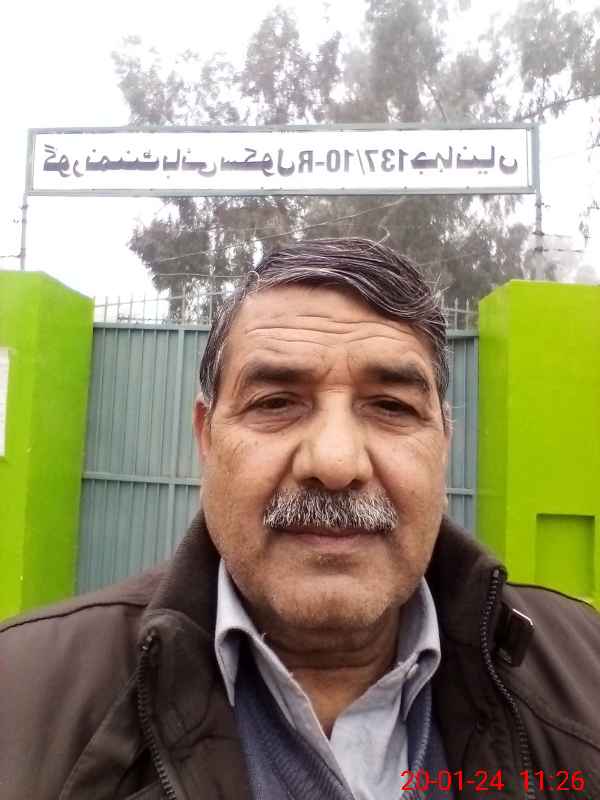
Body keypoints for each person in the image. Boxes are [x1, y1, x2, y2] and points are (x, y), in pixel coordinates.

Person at [1, 237, 599, 800]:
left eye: (391, 406)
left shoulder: (586, 674)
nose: (335, 463)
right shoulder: (19, 697)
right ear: (207, 437)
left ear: (444, 441)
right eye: (276, 403)